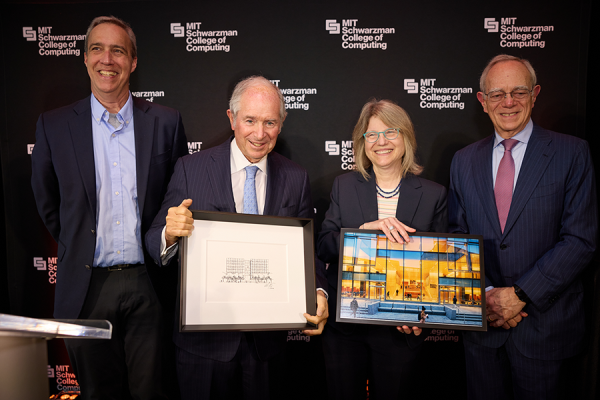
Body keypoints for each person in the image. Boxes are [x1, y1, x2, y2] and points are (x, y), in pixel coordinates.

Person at [31, 16, 188, 399]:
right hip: (86, 286)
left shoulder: (166, 123)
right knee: (98, 392)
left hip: (149, 283)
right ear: (85, 59)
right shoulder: (54, 126)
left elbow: (177, 193)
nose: (108, 59)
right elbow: (49, 203)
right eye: (97, 49)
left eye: (118, 50)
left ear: (132, 62)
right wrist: (79, 242)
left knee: (152, 391)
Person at [145, 76, 328, 400]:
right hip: (203, 347)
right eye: (250, 121)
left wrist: (318, 291)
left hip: (266, 349)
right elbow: (153, 240)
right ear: (231, 119)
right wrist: (170, 233)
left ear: (281, 123)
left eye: (270, 122)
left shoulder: (295, 178)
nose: (260, 133)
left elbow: (307, 253)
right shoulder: (190, 168)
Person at [448, 54, 597, 400]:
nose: (509, 102)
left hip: (545, 329)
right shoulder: (463, 160)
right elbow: (456, 236)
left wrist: (519, 295)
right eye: (497, 94)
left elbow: (580, 240)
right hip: (482, 328)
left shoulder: (572, 153)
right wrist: (486, 295)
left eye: (518, 91)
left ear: (535, 94)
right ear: (483, 101)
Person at [317, 99, 447, 400]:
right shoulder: (343, 186)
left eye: (390, 132)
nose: (381, 142)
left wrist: (421, 317)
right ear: (362, 142)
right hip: (345, 328)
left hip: (399, 330)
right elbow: (324, 246)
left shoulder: (433, 194)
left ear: (406, 137)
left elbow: (439, 267)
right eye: (371, 134)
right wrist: (360, 234)